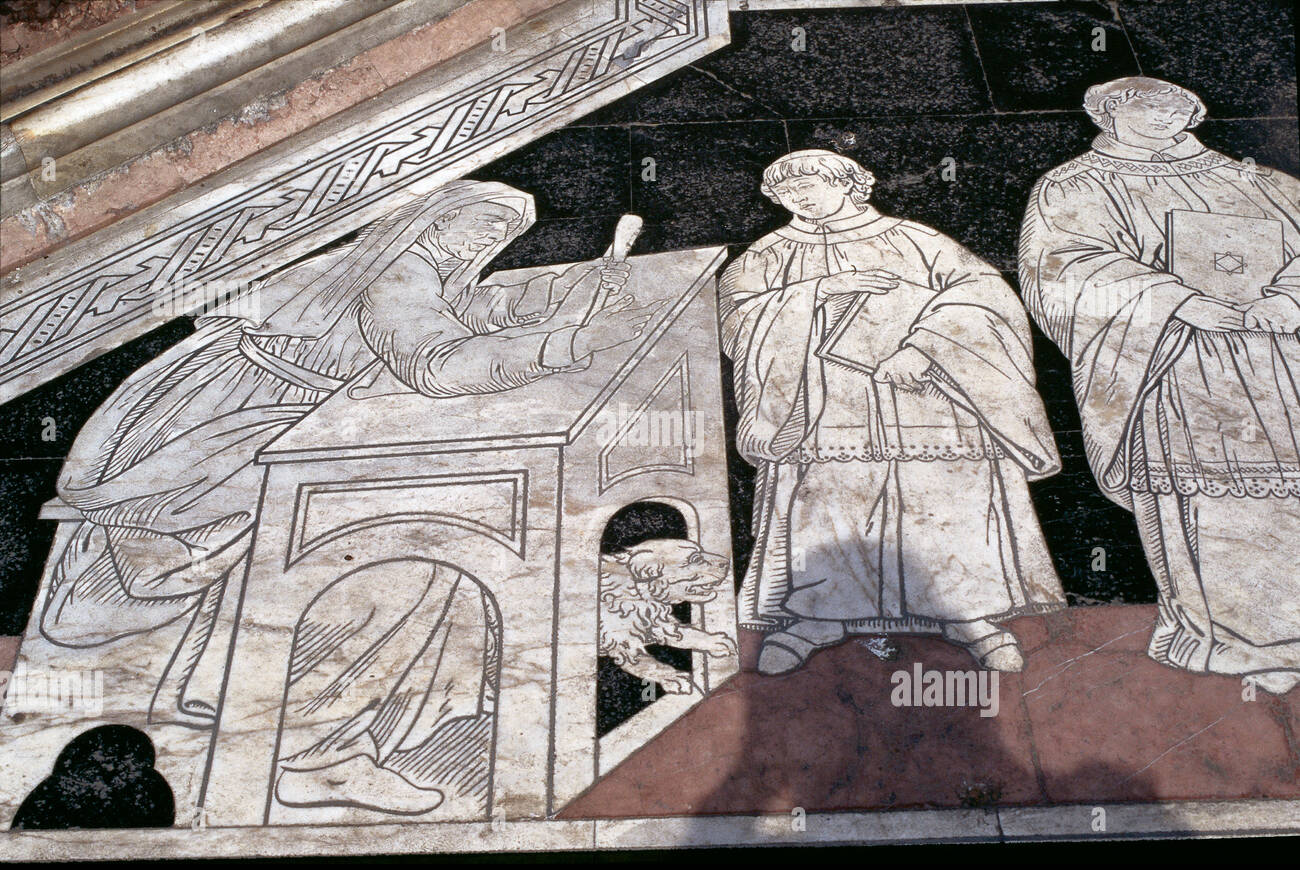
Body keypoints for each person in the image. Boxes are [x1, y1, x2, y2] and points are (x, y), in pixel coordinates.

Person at [38, 180, 647, 731]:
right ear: (435, 223)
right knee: (200, 543)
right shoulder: (397, 276)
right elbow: (436, 364)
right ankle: (139, 663)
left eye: (503, 232)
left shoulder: (425, 272)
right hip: (244, 415)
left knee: (251, 540)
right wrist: (566, 344)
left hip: (287, 411)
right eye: (481, 223)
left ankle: (186, 680)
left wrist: (571, 287)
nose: (491, 238)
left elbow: (474, 311)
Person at [720, 149, 1064, 676]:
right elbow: (736, 321)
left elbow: (987, 297)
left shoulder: (917, 239)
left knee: (946, 507)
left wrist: (923, 348)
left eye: (813, 184)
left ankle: (969, 616)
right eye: (788, 192)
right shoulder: (765, 254)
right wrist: (814, 294)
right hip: (824, 411)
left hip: (928, 403)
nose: (800, 196)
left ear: (852, 183)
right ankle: (820, 617)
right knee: (829, 511)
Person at [1019, 77, 1300, 694]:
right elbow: (1064, 269)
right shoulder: (1076, 185)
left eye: (1177, 104)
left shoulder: (1259, 181)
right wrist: (1176, 300)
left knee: (1286, 495)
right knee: (1204, 498)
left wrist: (1287, 298)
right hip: (1172, 363)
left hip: (1277, 363)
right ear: (1107, 111)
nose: (1163, 112)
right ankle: (1227, 637)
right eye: (1144, 103)